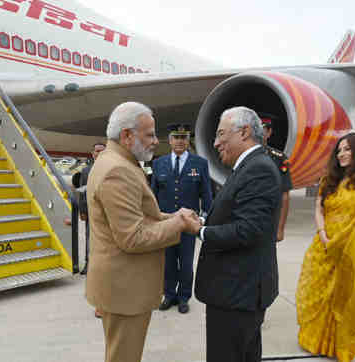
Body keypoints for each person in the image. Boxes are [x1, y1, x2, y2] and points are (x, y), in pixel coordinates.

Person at [85, 102, 200, 362]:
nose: (155, 141)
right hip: (125, 289)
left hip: (121, 285)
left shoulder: (117, 160)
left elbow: (141, 214)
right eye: (149, 134)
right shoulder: (118, 170)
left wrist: (174, 216)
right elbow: (132, 237)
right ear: (127, 135)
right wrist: (180, 224)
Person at [193, 106, 281, 362]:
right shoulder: (248, 167)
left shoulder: (258, 169)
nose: (216, 142)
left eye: (221, 134)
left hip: (237, 294)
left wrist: (200, 231)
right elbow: (237, 217)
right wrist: (201, 220)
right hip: (237, 291)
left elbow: (248, 230)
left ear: (244, 132)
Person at [296, 132, 355, 362]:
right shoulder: (330, 179)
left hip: (352, 248)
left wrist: (337, 243)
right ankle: (316, 341)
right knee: (320, 295)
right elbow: (318, 208)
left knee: (347, 297)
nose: (342, 154)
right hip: (323, 246)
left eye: (347, 149)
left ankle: (340, 346)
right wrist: (323, 235)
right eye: (339, 151)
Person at [151, 123, 212, 314]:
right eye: (176, 137)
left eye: (183, 138)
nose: (179, 141)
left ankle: (184, 297)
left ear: (188, 140)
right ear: (169, 140)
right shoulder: (158, 163)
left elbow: (207, 195)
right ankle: (169, 295)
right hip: (166, 224)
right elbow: (152, 196)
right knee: (168, 262)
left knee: (186, 263)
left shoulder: (200, 163)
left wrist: (203, 219)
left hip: (188, 225)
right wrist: (153, 220)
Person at [72, 142, 106, 276]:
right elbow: (82, 192)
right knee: (90, 238)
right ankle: (88, 263)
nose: (99, 153)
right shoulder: (86, 171)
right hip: (92, 211)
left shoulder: (113, 168)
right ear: (93, 154)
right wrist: (82, 210)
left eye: (102, 151)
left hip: (108, 211)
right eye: (97, 151)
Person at [260, 115, 293, 242]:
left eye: (262, 130)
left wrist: (280, 228)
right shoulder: (240, 156)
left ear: (269, 133)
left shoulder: (279, 159)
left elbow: (284, 194)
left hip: (268, 219)